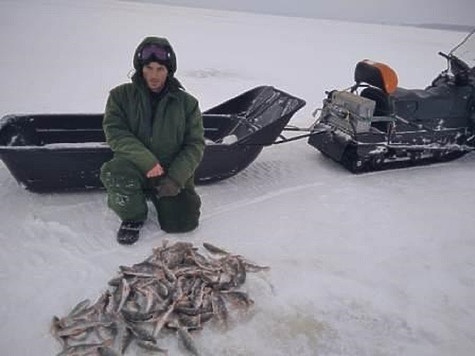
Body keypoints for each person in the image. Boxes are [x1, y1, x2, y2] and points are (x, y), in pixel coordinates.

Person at [100, 36, 205, 245]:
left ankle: (161, 194)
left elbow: (195, 144)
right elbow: (115, 132)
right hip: (134, 164)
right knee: (115, 171)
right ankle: (133, 215)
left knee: (183, 223)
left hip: (169, 169)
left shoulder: (187, 103)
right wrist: (146, 161)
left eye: (160, 69)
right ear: (141, 68)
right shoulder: (120, 96)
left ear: (169, 71)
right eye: (149, 68)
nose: (154, 75)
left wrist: (176, 178)